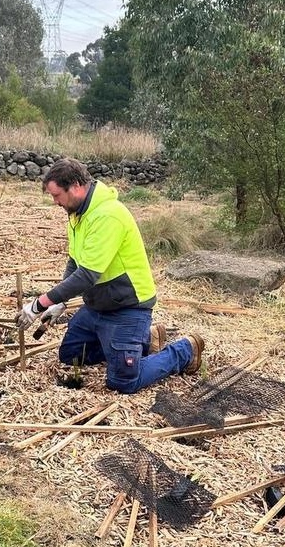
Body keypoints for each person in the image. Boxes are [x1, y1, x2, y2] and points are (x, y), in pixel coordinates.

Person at [17, 158, 205, 394]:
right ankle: (144, 341)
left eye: (57, 195)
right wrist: (61, 302)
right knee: (71, 355)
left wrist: (39, 304)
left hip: (128, 307)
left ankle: (184, 351)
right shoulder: (77, 214)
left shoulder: (107, 215)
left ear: (75, 186)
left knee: (123, 381)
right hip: (98, 306)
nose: (55, 202)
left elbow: (86, 276)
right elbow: (75, 261)